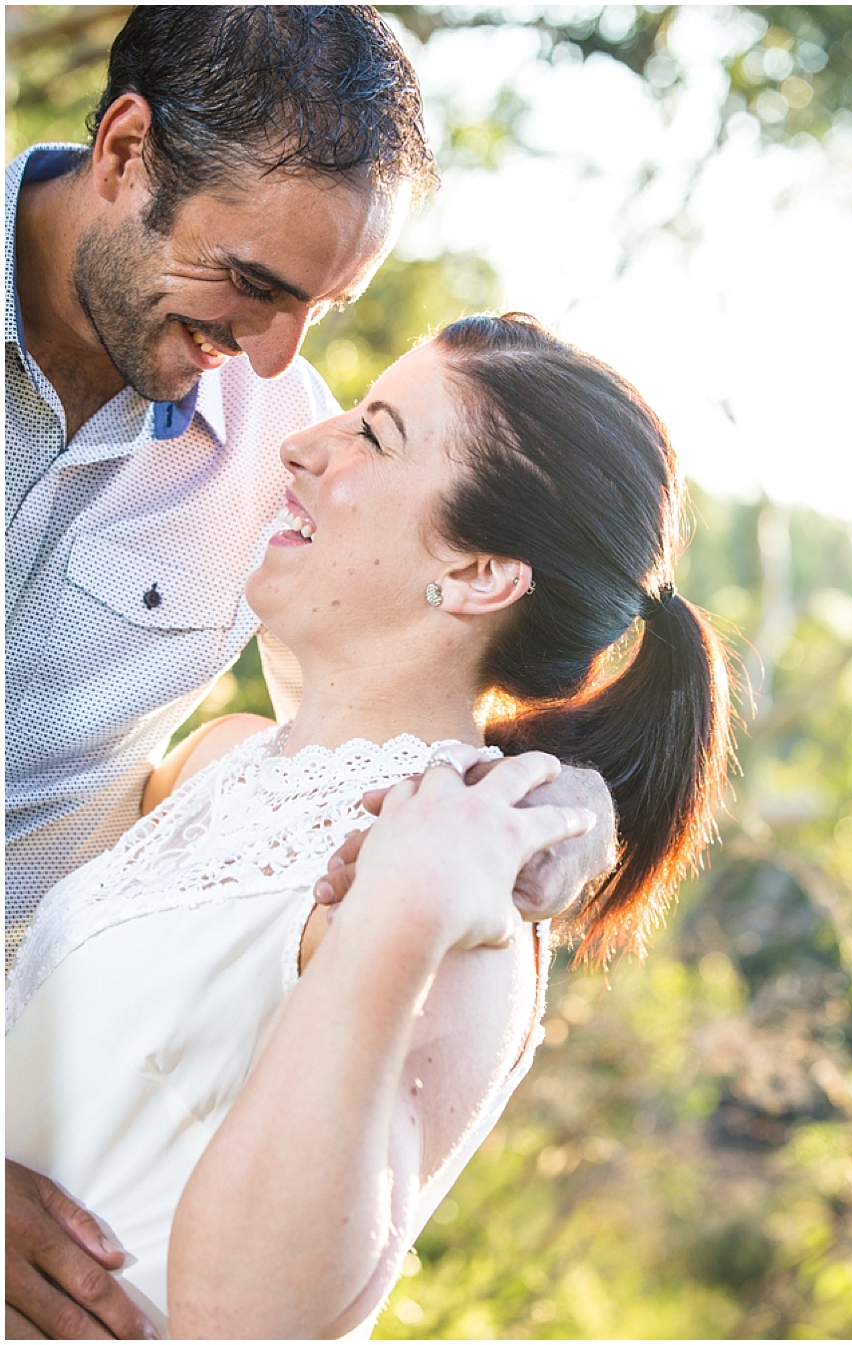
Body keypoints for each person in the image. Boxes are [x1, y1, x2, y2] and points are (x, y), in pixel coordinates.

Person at [6, 13, 612, 1335]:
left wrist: (560, 798)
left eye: (319, 310)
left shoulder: (270, 443)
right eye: (256, 282)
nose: (283, 368)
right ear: (123, 150)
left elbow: (368, 706)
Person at [6, 314, 734, 1339]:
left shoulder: (463, 917)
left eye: (377, 435)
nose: (304, 444)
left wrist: (404, 913)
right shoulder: (222, 763)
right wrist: (581, 789)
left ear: (479, 574)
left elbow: (247, 1319)